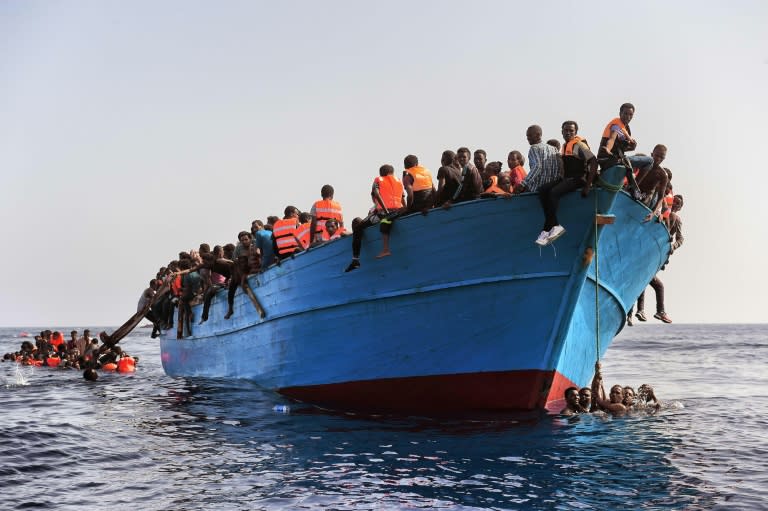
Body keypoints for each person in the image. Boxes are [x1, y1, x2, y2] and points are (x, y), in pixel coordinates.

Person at [534, 121, 598, 246]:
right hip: (567, 178)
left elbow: (594, 161)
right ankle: (549, 227)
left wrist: (588, 185)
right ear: (562, 131)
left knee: (553, 193)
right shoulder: (565, 146)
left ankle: (551, 228)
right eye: (565, 130)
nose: (568, 132)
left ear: (576, 132)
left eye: (571, 131)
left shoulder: (579, 145)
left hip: (578, 179)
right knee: (542, 190)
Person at [345, 164, 406, 271]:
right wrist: (404, 210)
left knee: (358, 227)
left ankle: (355, 260)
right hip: (398, 212)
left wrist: (386, 211)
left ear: (381, 173)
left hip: (384, 213)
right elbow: (402, 198)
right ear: (392, 173)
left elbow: (376, 194)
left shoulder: (378, 180)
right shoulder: (399, 181)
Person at [597, 102, 650, 200]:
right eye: (625, 113)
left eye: (630, 115)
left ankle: (633, 187)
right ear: (620, 113)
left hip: (616, 157)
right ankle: (634, 189)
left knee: (626, 160)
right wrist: (607, 149)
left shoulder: (626, 129)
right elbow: (611, 139)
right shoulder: (616, 126)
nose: (628, 117)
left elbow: (621, 148)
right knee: (648, 160)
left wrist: (632, 147)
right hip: (606, 158)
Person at [515, 125, 560, 194]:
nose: (528, 138)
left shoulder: (534, 148)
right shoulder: (554, 149)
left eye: (530, 135)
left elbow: (537, 166)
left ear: (538, 135)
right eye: (527, 136)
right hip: (551, 187)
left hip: (536, 188)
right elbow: (558, 168)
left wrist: (522, 184)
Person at [638, 144, 670, 222]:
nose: (658, 159)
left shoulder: (663, 175)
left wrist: (653, 213)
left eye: (661, 157)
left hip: (646, 197)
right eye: (656, 155)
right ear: (652, 154)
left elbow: (660, 198)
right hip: (634, 189)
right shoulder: (642, 162)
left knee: (645, 199)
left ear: (664, 159)